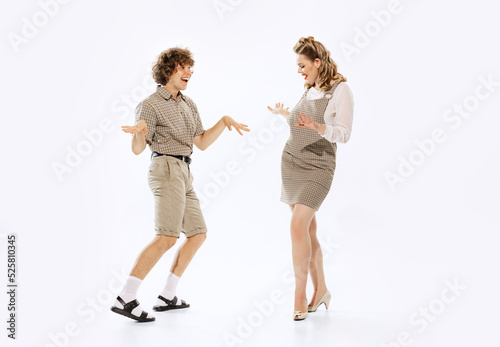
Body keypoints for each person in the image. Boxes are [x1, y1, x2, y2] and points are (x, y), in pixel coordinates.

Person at [111, 47, 250, 322]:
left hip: (184, 170)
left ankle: (167, 294)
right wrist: (139, 132)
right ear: (167, 71)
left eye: (190, 68)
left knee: (197, 233)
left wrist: (223, 122)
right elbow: (138, 149)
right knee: (167, 236)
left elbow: (201, 143)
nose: (188, 72)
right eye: (182, 67)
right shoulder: (149, 105)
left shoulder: (189, 104)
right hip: (164, 168)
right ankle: (126, 296)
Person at [267, 36, 354, 321]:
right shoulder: (309, 89)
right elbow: (301, 126)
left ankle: (299, 294)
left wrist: (318, 125)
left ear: (318, 63)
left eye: (303, 65)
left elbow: (343, 134)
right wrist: (286, 115)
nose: (299, 71)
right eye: (298, 66)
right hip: (292, 162)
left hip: (319, 167)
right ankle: (322, 291)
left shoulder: (342, 91)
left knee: (297, 227)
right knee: (308, 233)